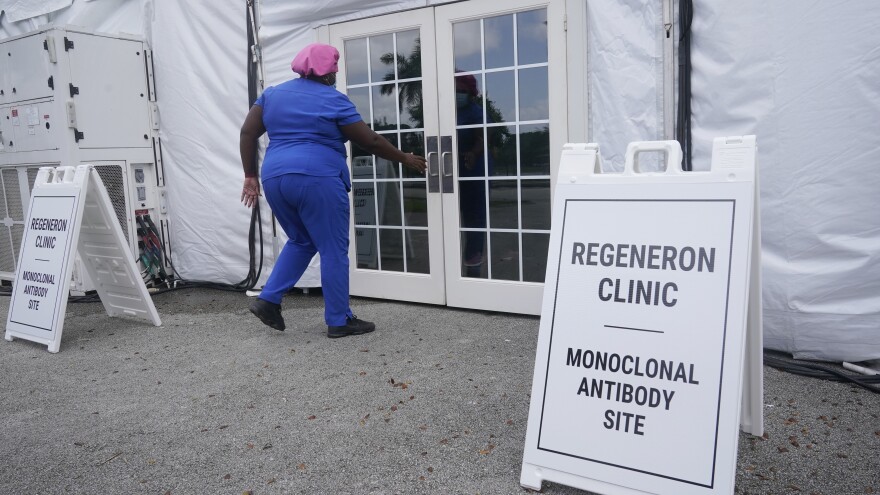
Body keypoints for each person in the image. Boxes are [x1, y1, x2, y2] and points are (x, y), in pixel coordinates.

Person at [239, 43, 427, 338]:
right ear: (330, 72)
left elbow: (248, 132)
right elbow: (371, 142)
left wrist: (250, 175)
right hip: (318, 178)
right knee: (333, 249)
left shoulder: (272, 95)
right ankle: (339, 320)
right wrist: (405, 158)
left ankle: (269, 300)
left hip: (275, 177)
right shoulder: (334, 100)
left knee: (301, 240)